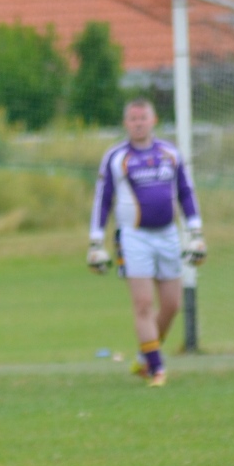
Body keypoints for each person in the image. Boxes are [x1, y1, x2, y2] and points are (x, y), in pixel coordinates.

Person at [88, 99, 206, 387]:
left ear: (153, 121)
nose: (138, 123)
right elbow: (103, 200)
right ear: (125, 123)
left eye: (143, 118)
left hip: (168, 235)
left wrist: (196, 232)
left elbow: (186, 192)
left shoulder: (169, 153)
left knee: (171, 305)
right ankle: (157, 368)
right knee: (143, 304)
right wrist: (96, 242)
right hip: (133, 237)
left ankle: (145, 356)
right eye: (132, 118)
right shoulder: (117, 156)